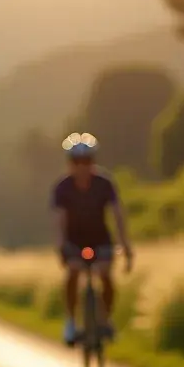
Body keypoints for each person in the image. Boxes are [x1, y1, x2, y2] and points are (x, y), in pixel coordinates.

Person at [51, 134, 133, 346]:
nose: (82, 166)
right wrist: (60, 246)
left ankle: (105, 320)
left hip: (100, 238)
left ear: (93, 161)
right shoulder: (62, 187)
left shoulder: (105, 184)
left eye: (86, 161)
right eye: (77, 162)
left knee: (105, 275)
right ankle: (70, 322)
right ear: (70, 163)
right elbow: (60, 220)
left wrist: (125, 245)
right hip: (74, 239)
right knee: (74, 271)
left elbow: (117, 215)